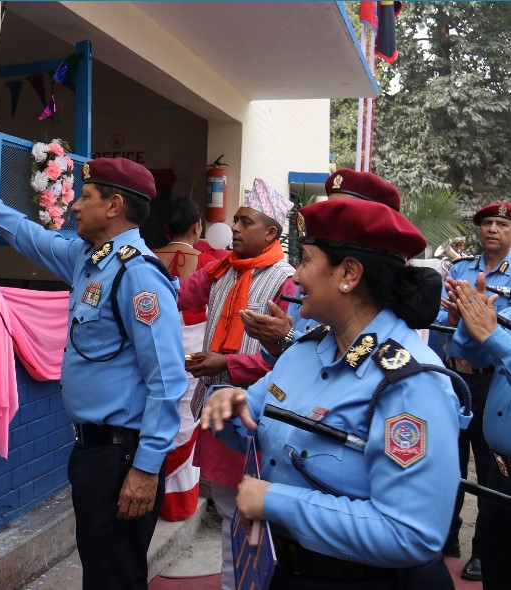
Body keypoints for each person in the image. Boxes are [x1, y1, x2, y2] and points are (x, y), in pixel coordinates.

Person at [202, 198, 467, 589]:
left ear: (349, 273)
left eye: (306, 260)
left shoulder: (410, 383)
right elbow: (254, 414)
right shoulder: (307, 350)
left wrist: (275, 501)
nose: (296, 273)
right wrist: (227, 406)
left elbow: (411, 532)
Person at [0, 154, 188, 590]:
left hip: (124, 458)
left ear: (114, 205)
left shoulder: (139, 276)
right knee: (101, 572)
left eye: (87, 197)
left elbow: (167, 381)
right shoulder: (87, 259)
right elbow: (30, 236)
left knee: (114, 576)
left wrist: (146, 469)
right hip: (94, 453)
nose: (76, 207)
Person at [177, 178, 298, 590]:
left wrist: (224, 362)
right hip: (218, 406)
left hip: (256, 414)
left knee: (253, 517)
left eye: (245, 222)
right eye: (234, 221)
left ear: (271, 233)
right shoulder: (224, 269)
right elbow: (182, 297)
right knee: (232, 512)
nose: (235, 229)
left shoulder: (287, 282)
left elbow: (285, 357)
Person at [240, 168, 402, 361]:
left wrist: (288, 336)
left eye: (344, 214)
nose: (330, 221)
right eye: (329, 211)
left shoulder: (385, 294)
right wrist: (276, 343)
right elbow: (291, 371)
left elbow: (350, 364)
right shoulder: (311, 282)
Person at [432, 201, 511, 579]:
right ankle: (445, 539)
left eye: (501, 223)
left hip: (494, 379)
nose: (492, 229)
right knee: (449, 457)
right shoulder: (460, 268)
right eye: (487, 223)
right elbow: (438, 322)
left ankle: (482, 550)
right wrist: (451, 319)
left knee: (491, 466)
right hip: (454, 374)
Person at [152, 197, 214, 521]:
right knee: (187, 415)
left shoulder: (148, 258)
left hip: (158, 344)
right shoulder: (210, 261)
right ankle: (177, 503)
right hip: (194, 347)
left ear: (166, 228)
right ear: (197, 227)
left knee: (158, 411)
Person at [450, 274, 511, 589]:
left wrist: (493, 335)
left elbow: (499, 344)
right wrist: (468, 316)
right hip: (499, 478)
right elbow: (471, 354)